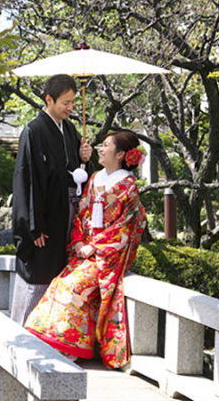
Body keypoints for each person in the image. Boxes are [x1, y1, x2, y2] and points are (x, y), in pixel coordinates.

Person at [24, 130, 147, 369]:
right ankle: (55, 340)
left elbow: (125, 225)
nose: (100, 149)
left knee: (74, 287)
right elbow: (82, 213)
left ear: (121, 154)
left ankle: (71, 346)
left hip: (108, 254)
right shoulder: (95, 178)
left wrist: (95, 246)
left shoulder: (129, 186)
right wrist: (79, 241)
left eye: (106, 146)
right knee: (60, 282)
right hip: (86, 250)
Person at [10, 74, 93, 325]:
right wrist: (34, 225)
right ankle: (24, 329)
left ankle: (52, 333)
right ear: (49, 99)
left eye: (73, 103)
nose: (70, 108)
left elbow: (77, 171)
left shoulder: (68, 129)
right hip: (45, 214)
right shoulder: (34, 130)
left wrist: (86, 158)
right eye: (65, 102)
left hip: (67, 210)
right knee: (40, 269)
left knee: (61, 269)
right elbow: (28, 178)